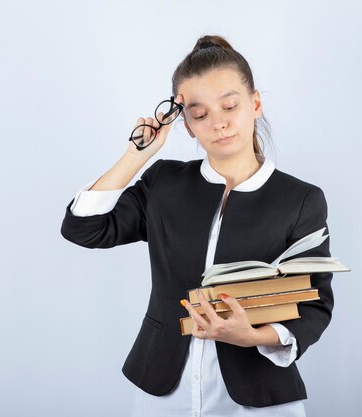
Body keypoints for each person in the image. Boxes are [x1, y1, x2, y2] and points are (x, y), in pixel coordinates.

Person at [60, 35, 334, 417]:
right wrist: (135, 156)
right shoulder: (165, 183)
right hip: (163, 385)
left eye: (230, 106)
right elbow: (83, 228)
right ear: (186, 124)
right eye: (200, 114)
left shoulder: (300, 199)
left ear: (255, 103)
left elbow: (315, 304)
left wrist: (252, 335)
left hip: (257, 392)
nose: (218, 123)